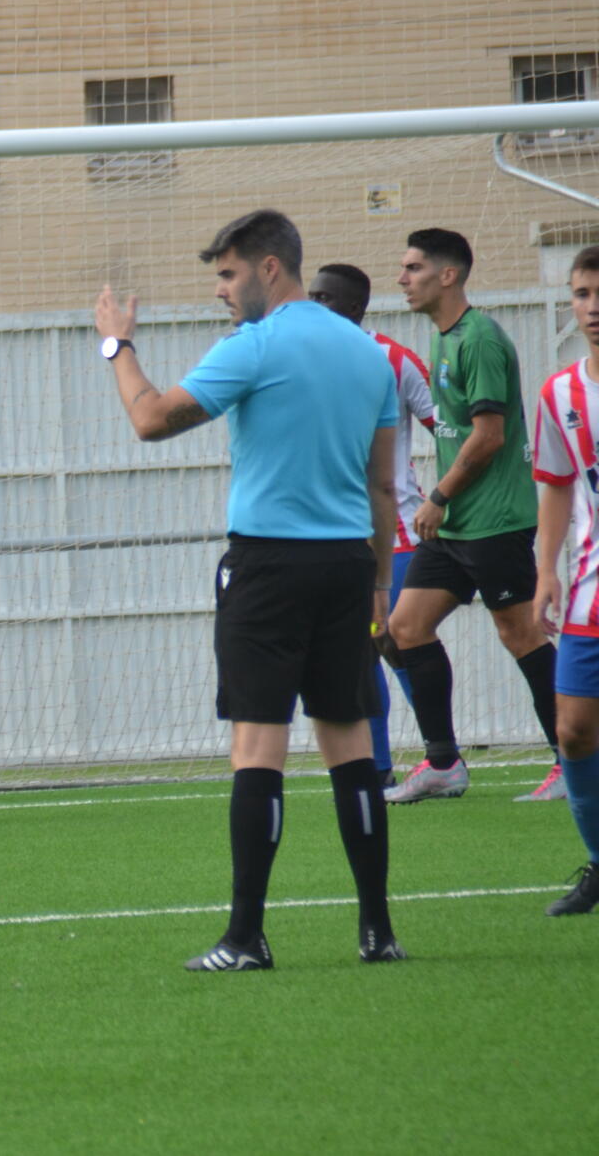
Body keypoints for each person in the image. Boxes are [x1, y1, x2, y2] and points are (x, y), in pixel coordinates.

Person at [96, 208, 402, 970]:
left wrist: (117, 344)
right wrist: (378, 587)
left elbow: (151, 418)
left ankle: (245, 936)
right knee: (351, 744)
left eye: (228, 275)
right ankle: (377, 931)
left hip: (268, 569)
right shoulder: (370, 355)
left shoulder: (254, 347)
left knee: (256, 745)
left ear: (271, 267)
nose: (223, 293)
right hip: (344, 569)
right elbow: (382, 490)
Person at [386, 228, 562, 803]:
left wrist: (437, 496)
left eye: (412, 268)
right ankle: (443, 764)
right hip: (456, 525)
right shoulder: (442, 338)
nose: (402, 278)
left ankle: (573, 758)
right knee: (406, 628)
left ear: (448, 275)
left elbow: (490, 436)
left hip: (495, 522)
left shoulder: (480, 339)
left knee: (520, 635)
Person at [308, 263, 435, 787]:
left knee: (397, 642)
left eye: (326, 298)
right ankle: (378, 768)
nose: (314, 306)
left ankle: (441, 754)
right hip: (334, 537)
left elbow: (449, 428)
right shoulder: (301, 361)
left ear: (356, 308)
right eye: (310, 295)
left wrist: (446, 499)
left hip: (398, 532)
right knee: (358, 651)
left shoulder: (395, 359)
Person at [526, 243, 599, 916]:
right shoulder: (561, 393)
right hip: (589, 592)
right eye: (581, 293)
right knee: (573, 729)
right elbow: (553, 486)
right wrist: (545, 569)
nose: (593, 307)